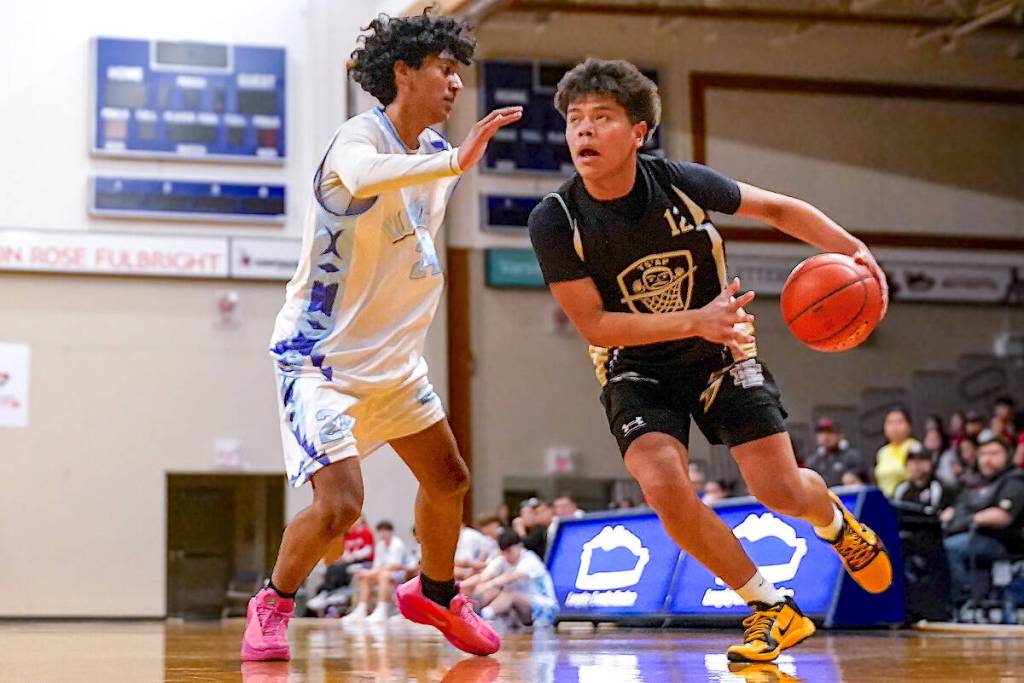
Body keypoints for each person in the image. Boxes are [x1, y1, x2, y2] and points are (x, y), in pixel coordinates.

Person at [527, 58, 892, 664]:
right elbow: (593, 323)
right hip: (635, 362)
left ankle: (834, 524)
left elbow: (777, 209)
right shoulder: (555, 220)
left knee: (778, 491)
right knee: (664, 486)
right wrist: (693, 318)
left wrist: (854, 250)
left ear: (639, 132)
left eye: (602, 118)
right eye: (574, 120)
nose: (583, 131)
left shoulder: (678, 182)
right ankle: (771, 608)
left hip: (721, 350)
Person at [241, 9, 521, 661]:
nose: (455, 84)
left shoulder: (429, 157)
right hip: (321, 364)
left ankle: (435, 590)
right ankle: (273, 600)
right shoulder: (356, 141)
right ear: (403, 72)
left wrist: (447, 163)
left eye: (458, 72)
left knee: (449, 479)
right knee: (341, 505)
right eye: (443, 69)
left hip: (396, 366)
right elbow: (364, 179)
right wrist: (456, 160)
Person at [941, 437, 1024, 605]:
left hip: (1000, 541)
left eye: (994, 454)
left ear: (1007, 456)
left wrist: (968, 519)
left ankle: (964, 599)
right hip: (970, 536)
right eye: (983, 454)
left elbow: (1002, 516)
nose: (987, 459)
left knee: (949, 547)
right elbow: (954, 509)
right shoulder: (974, 483)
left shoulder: (1014, 480)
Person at [471, 529, 559, 629]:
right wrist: (464, 585)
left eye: (509, 551)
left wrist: (489, 584)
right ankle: (475, 612)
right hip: (523, 609)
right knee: (492, 591)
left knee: (509, 593)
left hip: (544, 607)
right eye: (504, 552)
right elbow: (483, 577)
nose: (507, 556)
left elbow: (513, 576)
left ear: (520, 546)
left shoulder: (530, 559)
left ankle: (483, 615)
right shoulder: (502, 560)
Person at [343, 521, 414, 622]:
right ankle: (361, 609)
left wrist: (371, 572)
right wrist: (368, 573)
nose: (382, 534)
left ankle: (382, 610)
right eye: (380, 532)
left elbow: (394, 566)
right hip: (387, 572)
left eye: (385, 531)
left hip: (405, 572)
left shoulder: (397, 544)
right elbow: (377, 566)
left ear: (391, 532)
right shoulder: (380, 545)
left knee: (384, 576)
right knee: (366, 577)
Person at [804, 418, 866, 488]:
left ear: (840, 435)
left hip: (845, 497)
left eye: (830, 432)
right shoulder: (813, 461)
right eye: (821, 432)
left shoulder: (853, 457)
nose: (825, 436)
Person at [874, 407, 922, 497]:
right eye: (890, 422)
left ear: (909, 426)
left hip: (907, 498)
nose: (894, 427)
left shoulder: (914, 447)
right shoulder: (882, 452)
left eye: (899, 422)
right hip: (884, 498)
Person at [893, 448, 954, 513]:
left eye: (921, 460)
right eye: (911, 461)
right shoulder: (902, 488)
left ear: (930, 464)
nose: (915, 465)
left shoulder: (939, 488)